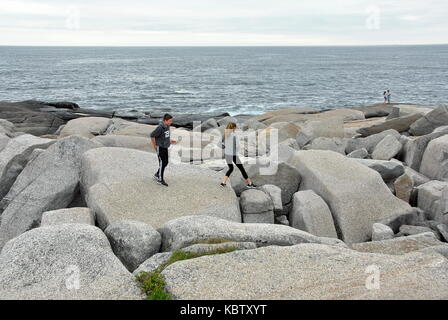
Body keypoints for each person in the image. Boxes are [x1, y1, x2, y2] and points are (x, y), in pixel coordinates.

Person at [220, 122, 257, 188]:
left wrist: (225, 147)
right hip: (233, 155)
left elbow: (220, 144)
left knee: (231, 168)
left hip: (227, 154)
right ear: (233, 127)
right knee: (242, 169)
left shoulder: (225, 134)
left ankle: (223, 182)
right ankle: (250, 184)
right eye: (235, 127)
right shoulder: (234, 135)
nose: (236, 129)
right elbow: (237, 146)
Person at [150, 114, 177, 187]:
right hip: (160, 147)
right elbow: (152, 135)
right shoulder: (160, 127)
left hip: (165, 147)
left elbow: (165, 136)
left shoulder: (167, 126)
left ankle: (157, 174)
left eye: (171, 120)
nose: (171, 122)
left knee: (165, 162)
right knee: (162, 162)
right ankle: (160, 180)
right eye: (170, 121)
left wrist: (170, 141)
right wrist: (154, 145)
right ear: (165, 120)